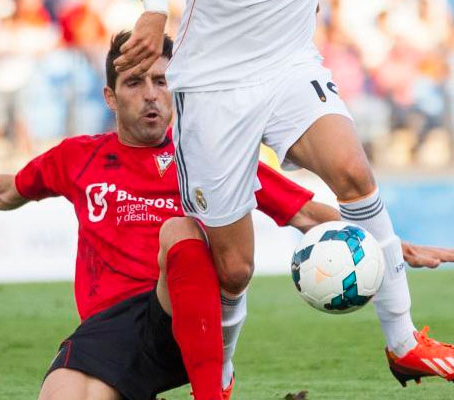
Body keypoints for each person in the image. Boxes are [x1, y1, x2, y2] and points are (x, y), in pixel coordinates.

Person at [0, 33, 454, 399]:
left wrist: (390, 246)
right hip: (109, 335)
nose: (152, 95)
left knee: (179, 228)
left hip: (185, 318)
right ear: (110, 96)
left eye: (162, 81)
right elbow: (11, 190)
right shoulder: (79, 158)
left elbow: (307, 212)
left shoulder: (210, 155)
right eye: (135, 83)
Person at [117, 0, 454, 386]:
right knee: (234, 269)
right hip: (214, 82)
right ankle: (218, 380)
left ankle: (403, 342)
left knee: (353, 172)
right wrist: (156, 11)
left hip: (289, 61)